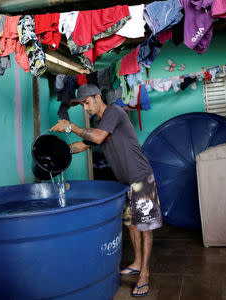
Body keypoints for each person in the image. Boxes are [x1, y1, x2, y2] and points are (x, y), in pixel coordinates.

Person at [50, 84, 162, 297]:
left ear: (97, 97)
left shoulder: (113, 112)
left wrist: (71, 126)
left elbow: (98, 137)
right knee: (131, 223)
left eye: (87, 102)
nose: (85, 108)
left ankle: (145, 274)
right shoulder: (101, 123)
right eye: (82, 104)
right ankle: (137, 262)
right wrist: (61, 150)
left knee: (145, 226)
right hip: (124, 182)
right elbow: (85, 143)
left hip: (140, 177)